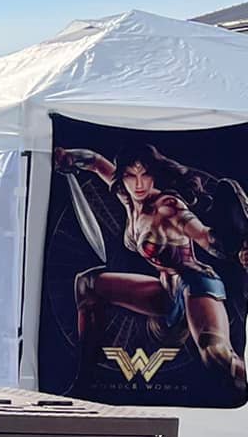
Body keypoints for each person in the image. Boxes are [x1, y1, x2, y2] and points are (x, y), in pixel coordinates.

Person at [56, 142, 248, 395]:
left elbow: (205, 238)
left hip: (195, 284)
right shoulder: (127, 197)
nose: (138, 184)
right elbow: (93, 160)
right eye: (130, 175)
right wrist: (66, 157)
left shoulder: (168, 206)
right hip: (166, 290)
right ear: (122, 176)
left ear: (154, 174)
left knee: (216, 355)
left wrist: (236, 250)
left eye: (145, 174)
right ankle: (84, 380)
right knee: (87, 284)